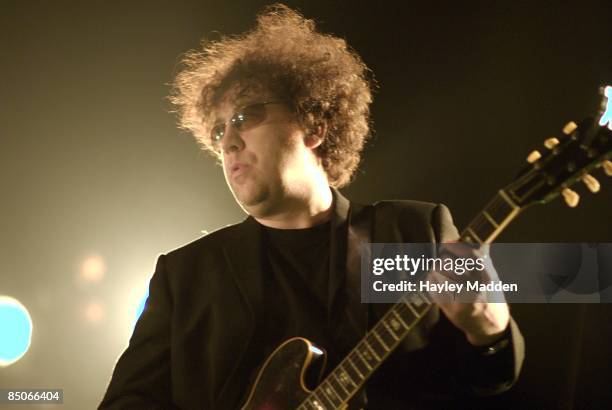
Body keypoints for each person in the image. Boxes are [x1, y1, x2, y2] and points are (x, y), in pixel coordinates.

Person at [99, 4, 524, 409]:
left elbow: (485, 384)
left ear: (314, 125)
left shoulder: (411, 232)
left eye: (246, 115)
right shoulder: (186, 275)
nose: (228, 141)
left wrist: (488, 327)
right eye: (217, 132)